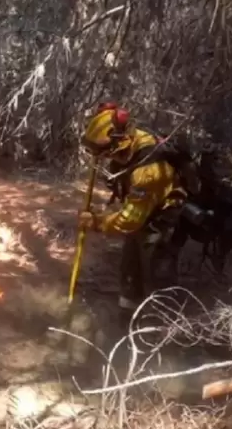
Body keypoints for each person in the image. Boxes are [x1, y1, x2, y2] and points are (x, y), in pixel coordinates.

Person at [77, 103, 191, 316]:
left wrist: (95, 222)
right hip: (142, 212)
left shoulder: (147, 170)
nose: (101, 157)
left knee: (157, 271)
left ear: (119, 142)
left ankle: (165, 323)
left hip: (163, 218)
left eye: (104, 151)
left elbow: (130, 220)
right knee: (130, 266)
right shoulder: (128, 140)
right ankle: (128, 315)